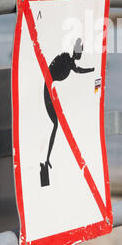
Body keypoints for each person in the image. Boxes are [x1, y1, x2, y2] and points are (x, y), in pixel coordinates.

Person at [40, 38, 94, 187]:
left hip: (52, 91)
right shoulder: (69, 62)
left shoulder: (68, 62)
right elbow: (78, 70)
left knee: (57, 125)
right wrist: (93, 69)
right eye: (80, 51)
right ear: (76, 52)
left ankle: (48, 160)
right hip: (49, 92)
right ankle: (47, 160)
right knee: (56, 125)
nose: (81, 54)